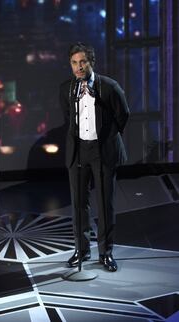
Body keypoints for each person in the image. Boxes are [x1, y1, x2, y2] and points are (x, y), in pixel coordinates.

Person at [59, 42, 130, 272]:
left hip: (103, 151)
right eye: (74, 63)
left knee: (104, 203)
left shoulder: (108, 87)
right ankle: (81, 250)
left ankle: (106, 253)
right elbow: (69, 117)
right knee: (79, 203)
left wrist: (108, 138)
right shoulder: (67, 89)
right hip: (78, 151)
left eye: (82, 62)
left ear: (91, 63)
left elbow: (123, 115)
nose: (78, 67)